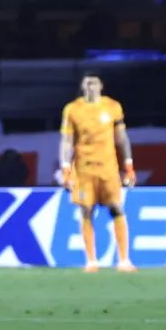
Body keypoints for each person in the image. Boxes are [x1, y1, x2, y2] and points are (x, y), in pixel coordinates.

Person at [60, 72, 137, 272]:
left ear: (101, 86)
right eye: (87, 83)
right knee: (86, 210)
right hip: (84, 168)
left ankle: (124, 260)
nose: (91, 86)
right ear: (82, 87)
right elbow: (67, 141)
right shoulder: (72, 109)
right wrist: (65, 169)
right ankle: (92, 260)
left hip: (108, 168)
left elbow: (122, 138)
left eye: (94, 83)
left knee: (116, 207)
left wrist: (128, 166)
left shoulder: (112, 107)